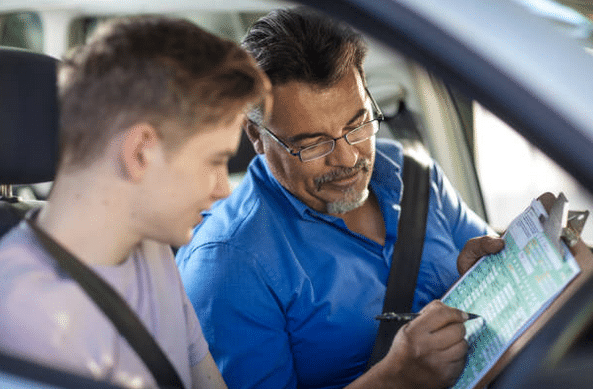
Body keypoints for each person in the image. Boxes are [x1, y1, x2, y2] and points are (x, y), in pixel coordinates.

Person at [175, 7, 504, 389]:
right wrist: (396, 377)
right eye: (313, 144)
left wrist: (494, 270)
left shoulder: (413, 175)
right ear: (256, 135)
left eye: (358, 124)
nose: (348, 159)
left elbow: (490, 272)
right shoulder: (228, 264)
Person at [0, 15, 269, 389]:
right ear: (140, 152)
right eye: (215, 161)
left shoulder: (153, 246)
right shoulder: (25, 328)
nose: (224, 189)